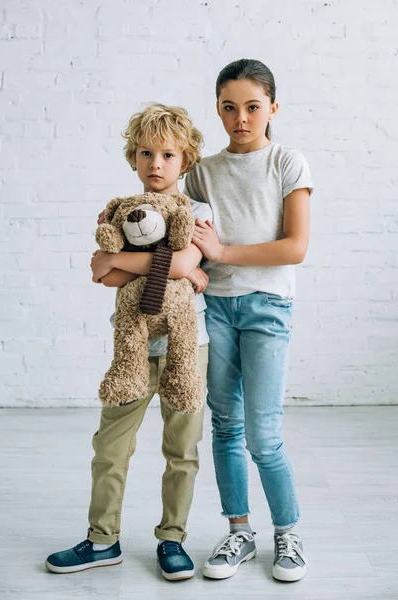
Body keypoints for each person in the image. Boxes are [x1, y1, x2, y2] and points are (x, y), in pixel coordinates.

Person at [45, 104, 212, 581]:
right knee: (110, 447)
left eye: (167, 154)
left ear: (186, 160)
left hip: (186, 351)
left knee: (182, 451)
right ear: (133, 158)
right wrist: (171, 264)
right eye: (145, 153)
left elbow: (180, 261)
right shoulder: (120, 212)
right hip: (132, 352)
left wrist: (132, 261)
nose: (155, 164)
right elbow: (101, 270)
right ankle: (103, 539)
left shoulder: (197, 212)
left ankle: (172, 539)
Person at [184, 58, 313, 582]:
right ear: (217, 109)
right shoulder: (201, 172)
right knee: (225, 424)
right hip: (216, 308)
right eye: (230, 108)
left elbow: (295, 248)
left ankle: (288, 533)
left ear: (272, 109)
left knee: (263, 433)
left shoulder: (287, 162)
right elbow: (171, 221)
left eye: (253, 107)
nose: (241, 118)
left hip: (267, 308)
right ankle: (239, 529)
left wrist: (223, 253)